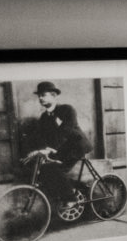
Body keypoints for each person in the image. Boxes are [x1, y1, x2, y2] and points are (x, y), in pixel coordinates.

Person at [20, 81, 91, 213]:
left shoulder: (67, 110)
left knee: (54, 168)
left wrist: (49, 149)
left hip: (76, 146)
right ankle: (74, 187)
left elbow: (65, 131)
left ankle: (71, 199)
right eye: (39, 96)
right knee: (45, 168)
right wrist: (36, 151)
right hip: (61, 148)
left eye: (44, 95)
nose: (40, 98)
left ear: (54, 96)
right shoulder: (44, 117)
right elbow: (41, 137)